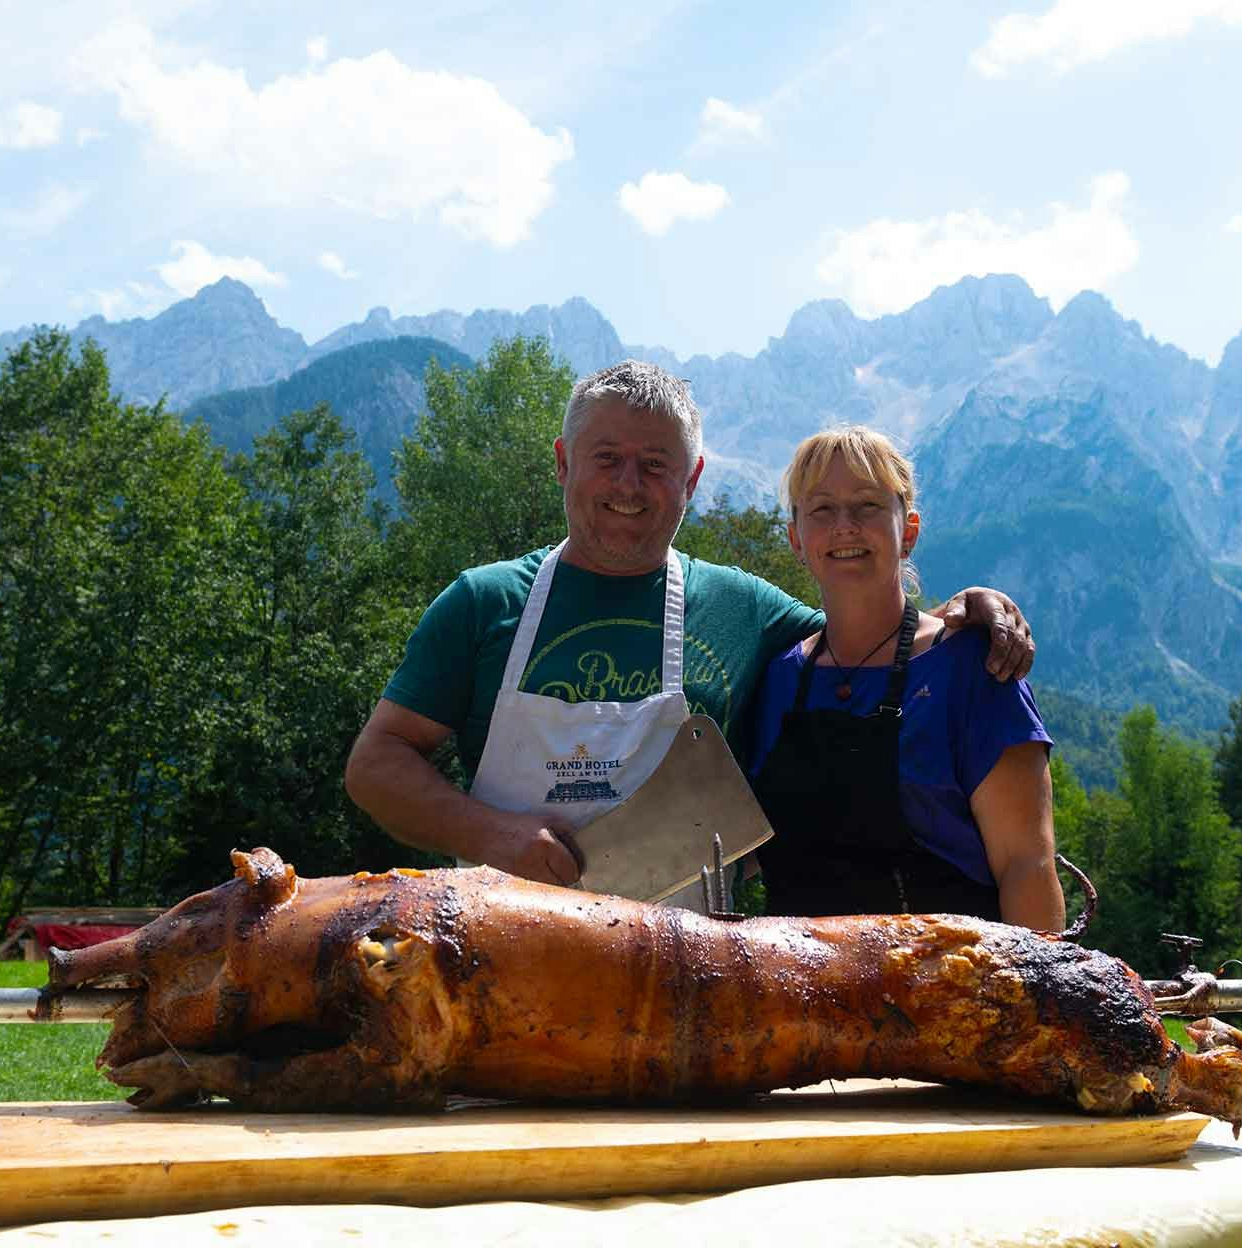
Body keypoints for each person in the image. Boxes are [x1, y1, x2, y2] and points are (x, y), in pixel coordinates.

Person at [344, 361, 1036, 890]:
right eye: (606, 458)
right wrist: (495, 834)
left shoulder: (742, 609)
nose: (628, 485)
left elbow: (869, 630)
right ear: (562, 463)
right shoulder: (481, 602)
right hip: (501, 959)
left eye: (655, 465)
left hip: (685, 991)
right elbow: (375, 765)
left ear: (693, 479)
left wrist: (965, 609)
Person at [748, 425, 1064, 929]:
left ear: (908, 531)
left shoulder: (972, 669)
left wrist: (1031, 1003)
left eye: (868, 505)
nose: (845, 526)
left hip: (946, 989)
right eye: (822, 509)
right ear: (796, 540)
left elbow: (1026, 865)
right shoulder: (778, 678)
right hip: (800, 991)